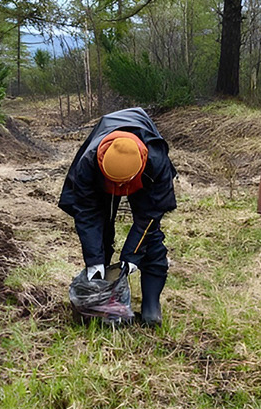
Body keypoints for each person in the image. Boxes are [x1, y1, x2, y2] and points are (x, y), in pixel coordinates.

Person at [58, 106, 177, 327]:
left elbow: (149, 217)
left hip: (143, 176)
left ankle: (152, 307)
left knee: (150, 239)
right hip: (100, 173)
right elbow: (87, 213)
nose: (120, 188)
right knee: (100, 227)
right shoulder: (89, 162)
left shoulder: (156, 162)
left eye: (124, 183)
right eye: (116, 183)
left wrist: (132, 256)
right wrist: (94, 260)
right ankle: (101, 298)